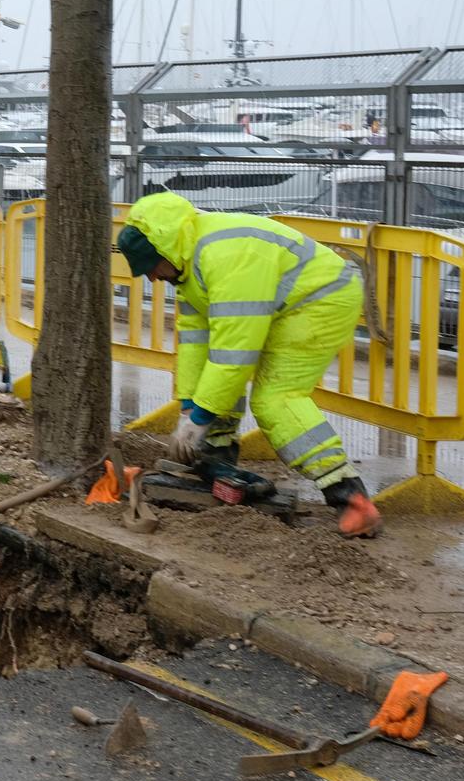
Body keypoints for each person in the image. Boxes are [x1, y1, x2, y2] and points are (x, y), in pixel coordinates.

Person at [117, 189, 382, 538]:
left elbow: (233, 357)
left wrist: (199, 419)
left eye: (152, 268)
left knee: (276, 400)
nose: (153, 278)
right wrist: (188, 407)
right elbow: (197, 341)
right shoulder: (189, 263)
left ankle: (351, 498)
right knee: (212, 388)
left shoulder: (224, 257)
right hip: (287, 302)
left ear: (164, 250)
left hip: (321, 300)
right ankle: (216, 462)